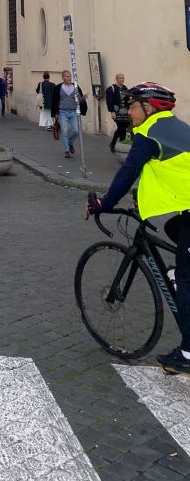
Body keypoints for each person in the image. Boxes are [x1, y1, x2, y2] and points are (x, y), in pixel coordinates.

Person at [87, 83, 190, 374]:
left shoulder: (148, 134)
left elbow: (128, 171)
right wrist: (140, 196)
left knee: (185, 280)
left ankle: (187, 353)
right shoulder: (175, 127)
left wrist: (103, 204)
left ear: (149, 108)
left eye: (132, 106)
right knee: (174, 228)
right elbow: (165, 171)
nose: (129, 112)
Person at [50, 70, 88, 159]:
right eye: (67, 76)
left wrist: (83, 98)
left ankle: (70, 143)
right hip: (63, 112)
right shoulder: (58, 87)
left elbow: (79, 100)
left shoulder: (75, 87)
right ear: (63, 77)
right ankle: (66, 150)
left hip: (73, 112)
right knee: (64, 131)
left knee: (76, 131)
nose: (69, 78)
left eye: (70, 76)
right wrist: (55, 114)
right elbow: (54, 100)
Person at [106, 73, 130, 153]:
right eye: (120, 78)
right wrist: (112, 111)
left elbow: (127, 101)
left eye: (123, 78)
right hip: (117, 112)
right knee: (121, 128)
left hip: (125, 112)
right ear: (116, 79)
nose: (122, 80)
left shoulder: (125, 88)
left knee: (124, 129)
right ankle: (114, 143)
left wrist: (128, 108)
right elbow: (109, 101)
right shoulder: (111, 89)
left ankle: (118, 143)